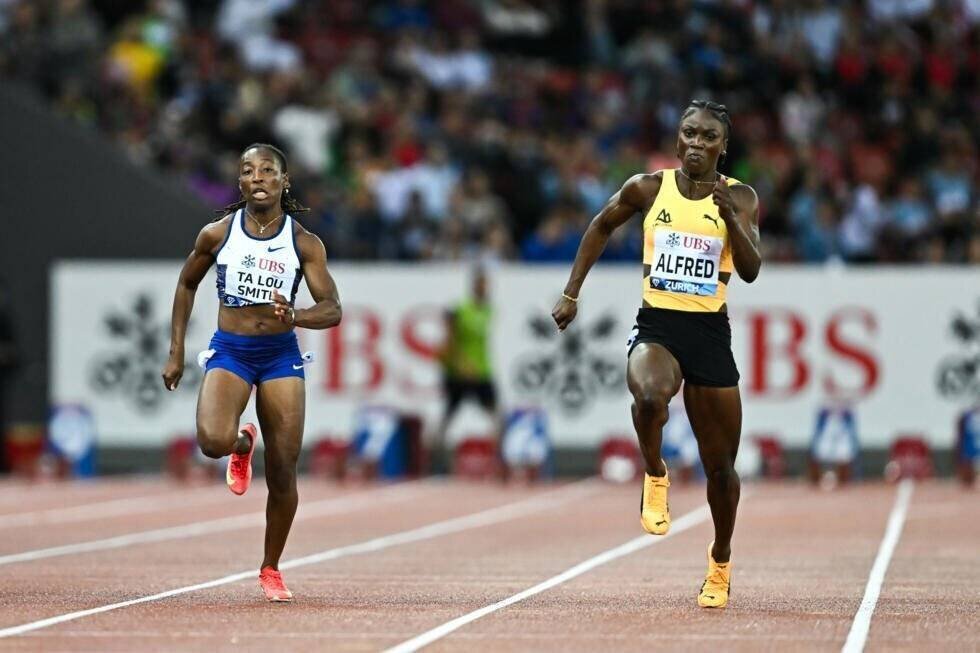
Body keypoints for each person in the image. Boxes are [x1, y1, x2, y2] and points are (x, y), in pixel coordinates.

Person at [552, 101, 761, 609]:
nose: (696, 143)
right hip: (658, 325)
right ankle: (656, 471)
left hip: (710, 333)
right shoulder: (647, 188)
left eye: (708, 136)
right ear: (677, 137)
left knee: (722, 472)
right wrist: (572, 292)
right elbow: (601, 226)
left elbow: (752, 269)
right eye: (688, 132)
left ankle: (720, 560)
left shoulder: (740, 196)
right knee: (648, 397)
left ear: (722, 146)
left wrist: (731, 218)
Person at [162, 143, 342, 602]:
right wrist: (176, 350)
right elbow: (186, 283)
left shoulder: (304, 243)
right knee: (211, 441)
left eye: (267, 170)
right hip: (232, 351)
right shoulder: (217, 234)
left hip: (280, 355)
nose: (257, 177)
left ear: (285, 182)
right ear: (239, 183)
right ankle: (243, 442)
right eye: (248, 170)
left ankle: (271, 567)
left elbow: (332, 309)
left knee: (283, 471)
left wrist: (296, 317)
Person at [432, 267, 501, 474]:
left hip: (481, 371)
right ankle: (437, 464)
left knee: (496, 417)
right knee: (447, 418)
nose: (484, 288)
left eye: (486, 285)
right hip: (459, 373)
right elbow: (449, 337)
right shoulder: (461, 309)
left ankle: (499, 464)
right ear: (473, 286)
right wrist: (460, 362)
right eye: (481, 284)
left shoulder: (488, 309)